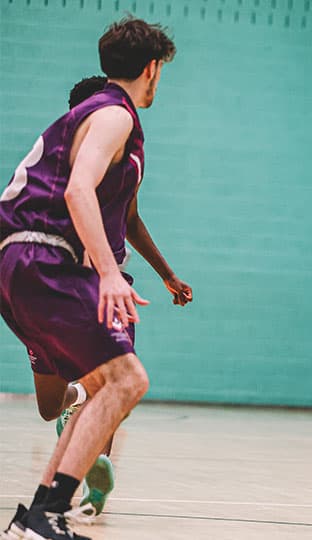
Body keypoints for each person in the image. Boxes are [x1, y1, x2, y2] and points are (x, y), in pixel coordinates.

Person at [0, 17, 177, 540]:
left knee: (102, 384)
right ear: (151, 69)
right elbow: (78, 192)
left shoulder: (90, 113)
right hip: (42, 257)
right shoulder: (113, 115)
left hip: (23, 261)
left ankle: (36, 512)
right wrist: (109, 274)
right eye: (160, 70)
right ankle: (48, 515)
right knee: (130, 379)